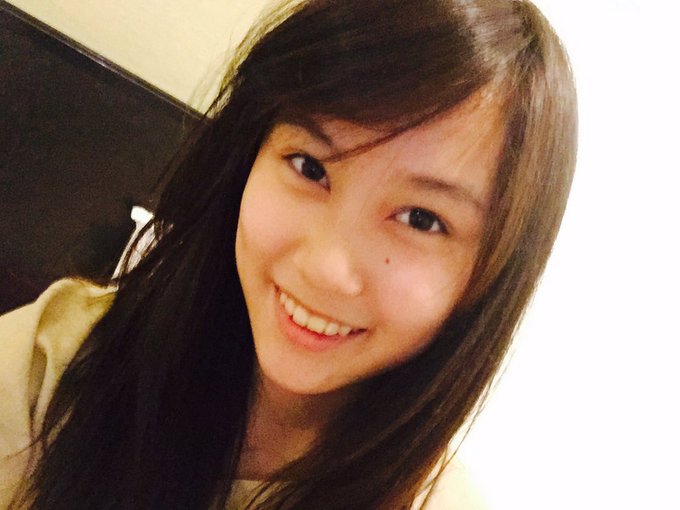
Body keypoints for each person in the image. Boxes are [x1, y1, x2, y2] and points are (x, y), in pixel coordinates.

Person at [0, 0, 577, 508]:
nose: (326, 268)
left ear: (492, 272)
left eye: (421, 219)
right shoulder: (62, 357)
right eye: (310, 167)